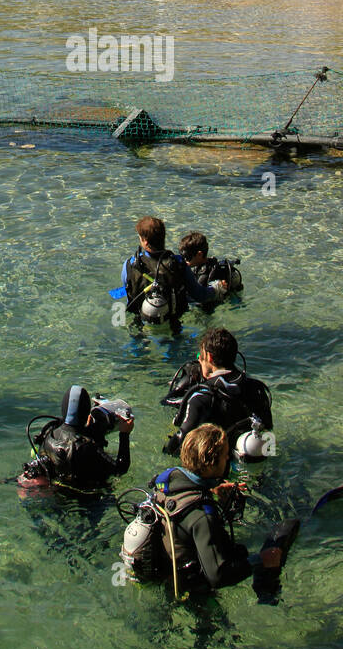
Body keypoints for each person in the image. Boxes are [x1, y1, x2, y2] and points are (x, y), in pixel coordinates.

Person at [135, 425, 298, 593]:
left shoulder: (167, 479)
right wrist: (260, 560)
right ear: (211, 463)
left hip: (160, 564)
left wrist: (212, 490)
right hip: (186, 587)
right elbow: (217, 576)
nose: (228, 458)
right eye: (225, 456)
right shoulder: (202, 516)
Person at [162, 326, 272, 455]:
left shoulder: (201, 396)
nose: (199, 360)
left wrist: (165, 452)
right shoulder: (258, 389)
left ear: (209, 357)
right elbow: (268, 433)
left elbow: (180, 440)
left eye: (200, 356)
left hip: (214, 467)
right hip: (250, 457)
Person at [20, 385, 132, 492]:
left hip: (58, 491)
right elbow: (120, 469)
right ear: (86, 412)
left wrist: (88, 431)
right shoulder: (85, 448)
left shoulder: (50, 433)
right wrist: (124, 434)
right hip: (86, 501)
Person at [121, 216, 227, 329]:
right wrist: (217, 288)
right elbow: (199, 295)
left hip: (141, 321)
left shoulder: (129, 265)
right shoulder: (179, 263)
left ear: (145, 242)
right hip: (173, 323)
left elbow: (130, 296)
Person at [178, 231, 243, 299]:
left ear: (199, 254)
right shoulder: (204, 265)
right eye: (182, 256)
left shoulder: (205, 274)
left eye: (187, 257)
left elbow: (197, 296)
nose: (184, 260)